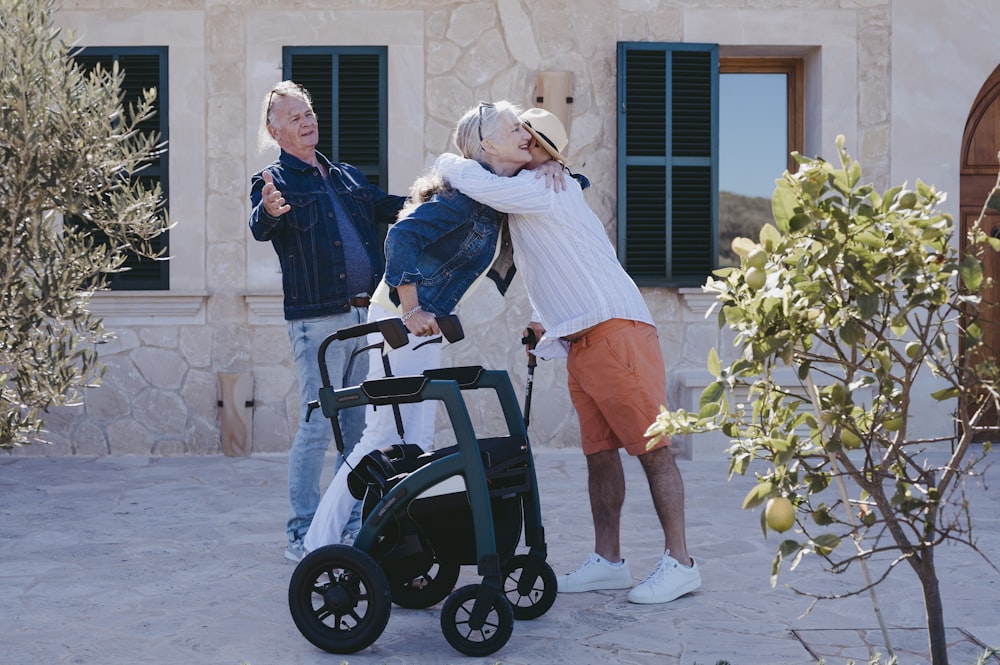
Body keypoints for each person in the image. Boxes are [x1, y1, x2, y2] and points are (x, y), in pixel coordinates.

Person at [434, 108, 701, 604]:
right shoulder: (535, 192)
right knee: (600, 455)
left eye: (530, 138)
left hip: (617, 333)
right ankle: (608, 562)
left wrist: (446, 160)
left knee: (653, 451)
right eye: (518, 133)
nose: (524, 141)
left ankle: (682, 563)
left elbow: (473, 179)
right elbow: (551, 263)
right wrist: (544, 319)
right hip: (582, 338)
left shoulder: (542, 188)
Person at [302, 100, 560, 553]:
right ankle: (323, 544)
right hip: (403, 321)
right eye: (514, 128)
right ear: (487, 144)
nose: (526, 134)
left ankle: (393, 544)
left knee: (411, 439)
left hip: (421, 324)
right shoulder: (462, 198)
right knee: (385, 435)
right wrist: (411, 308)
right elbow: (401, 235)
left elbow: (568, 187)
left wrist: (559, 168)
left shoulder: (496, 193)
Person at [248, 81, 406, 562]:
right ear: (275, 131)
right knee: (318, 424)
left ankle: (348, 525)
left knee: (357, 431)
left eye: (308, 112)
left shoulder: (347, 177)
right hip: (318, 320)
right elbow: (261, 223)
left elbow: (395, 207)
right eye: (294, 117)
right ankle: (301, 531)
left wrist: (446, 199)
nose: (306, 121)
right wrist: (269, 210)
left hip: (364, 314)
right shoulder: (274, 180)